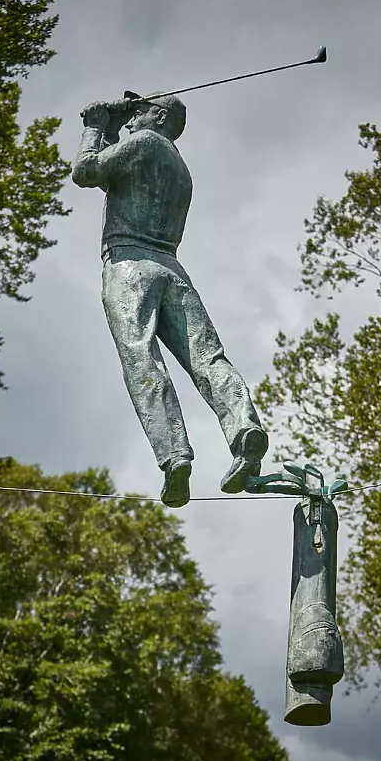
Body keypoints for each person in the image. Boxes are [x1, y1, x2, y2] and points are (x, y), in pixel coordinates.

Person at [72, 91, 268, 507]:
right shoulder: (181, 170)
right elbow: (117, 174)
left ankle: (174, 455)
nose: (131, 120)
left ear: (159, 116)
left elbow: (86, 172)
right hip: (173, 270)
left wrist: (94, 126)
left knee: (142, 360)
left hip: (129, 265)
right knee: (208, 358)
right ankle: (243, 428)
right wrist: (112, 126)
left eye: (138, 112)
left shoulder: (143, 144)